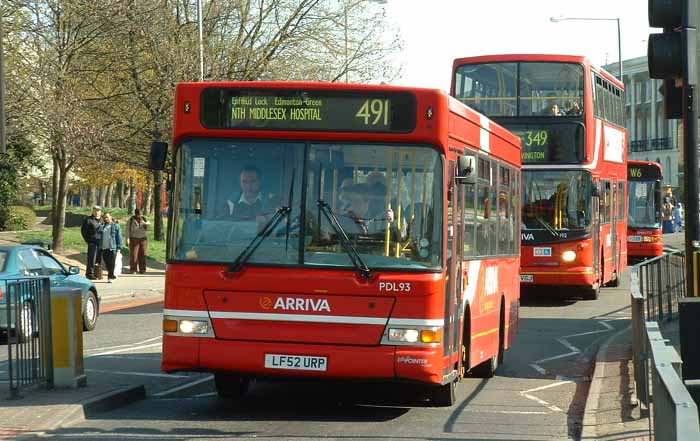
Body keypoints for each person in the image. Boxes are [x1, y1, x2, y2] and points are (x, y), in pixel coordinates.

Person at [99, 213, 124, 283]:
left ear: (111, 217)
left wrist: (119, 247)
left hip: (112, 248)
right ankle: (111, 274)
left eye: (107, 217)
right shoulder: (102, 226)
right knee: (107, 263)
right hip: (104, 248)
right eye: (104, 217)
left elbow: (119, 237)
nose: (106, 219)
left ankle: (110, 276)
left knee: (112, 263)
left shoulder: (115, 226)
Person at [80, 205, 102, 280]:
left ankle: (98, 274)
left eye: (98, 211)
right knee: (91, 259)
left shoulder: (102, 220)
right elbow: (83, 231)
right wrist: (88, 240)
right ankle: (89, 274)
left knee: (99, 259)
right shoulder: (88, 220)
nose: (97, 212)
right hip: (92, 242)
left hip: (101, 243)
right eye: (95, 210)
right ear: (93, 211)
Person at [126, 208, 149, 274]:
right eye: (138, 214)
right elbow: (127, 230)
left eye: (140, 214)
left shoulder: (144, 219)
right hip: (134, 239)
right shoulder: (130, 220)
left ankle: (142, 269)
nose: (139, 215)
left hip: (143, 239)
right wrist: (127, 239)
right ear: (135, 214)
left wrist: (146, 226)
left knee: (143, 254)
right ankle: (133, 269)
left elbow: (148, 229)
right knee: (134, 255)